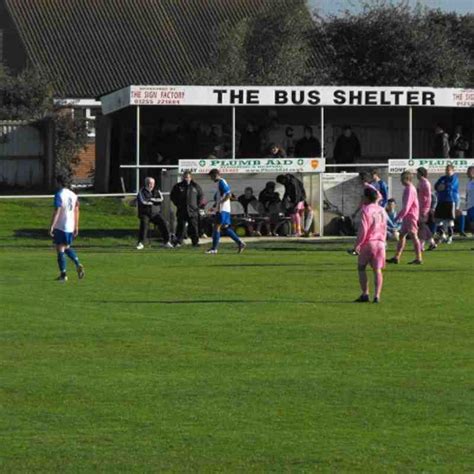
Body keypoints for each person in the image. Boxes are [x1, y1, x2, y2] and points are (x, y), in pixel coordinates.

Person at [350, 188, 387, 303]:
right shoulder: (382, 210)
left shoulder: (366, 210)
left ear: (366, 198)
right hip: (380, 243)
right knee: (377, 270)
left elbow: (363, 230)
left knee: (361, 268)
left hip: (369, 243)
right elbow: (385, 227)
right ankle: (377, 296)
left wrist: (357, 245)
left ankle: (365, 293)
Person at [49, 174, 85, 282]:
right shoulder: (73, 195)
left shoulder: (59, 194)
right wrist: (76, 226)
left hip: (61, 225)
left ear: (58, 182)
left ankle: (63, 275)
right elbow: (76, 210)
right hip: (70, 226)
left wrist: (52, 226)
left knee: (60, 248)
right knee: (66, 247)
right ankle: (78, 263)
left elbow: (57, 211)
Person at [387, 171, 423, 265]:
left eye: (402, 178)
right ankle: (396, 257)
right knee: (402, 235)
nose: (400, 181)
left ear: (406, 179)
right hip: (408, 216)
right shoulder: (408, 188)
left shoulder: (410, 189)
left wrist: (398, 217)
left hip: (411, 216)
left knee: (414, 235)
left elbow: (407, 207)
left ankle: (419, 257)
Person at [206, 169, 246, 254]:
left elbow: (228, 194)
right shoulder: (219, 184)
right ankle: (240, 243)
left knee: (216, 226)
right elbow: (220, 197)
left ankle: (214, 249)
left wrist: (221, 203)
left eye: (211, 176)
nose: (211, 178)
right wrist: (214, 206)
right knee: (225, 228)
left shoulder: (221, 182)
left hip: (223, 209)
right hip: (222, 208)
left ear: (216, 175)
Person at [136, 177, 173, 249]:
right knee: (144, 225)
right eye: (150, 183)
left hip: (155, 213)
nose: (152, 185)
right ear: (146, 183)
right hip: (145, 213)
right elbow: (143, 202)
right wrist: (154, 201)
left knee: (164, 222)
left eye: (153, 183)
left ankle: (166, 242)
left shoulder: (157, 191)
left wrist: (151, 199)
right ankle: (141, 243)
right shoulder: (141, 192)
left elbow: (161, 200)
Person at [170, 171, 203, 247]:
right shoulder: (178, 186)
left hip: (192, 211)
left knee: (194, 227)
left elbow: (200, 196)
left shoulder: (195, 186)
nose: (186, 178)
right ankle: (178, 242)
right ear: (183, 177)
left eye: (188, 177)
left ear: (190, 177)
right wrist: (178, 204)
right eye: (185, 177)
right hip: (182, 210)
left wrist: (196, 206)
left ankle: (195, 242)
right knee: (180, 227)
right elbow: (172, 196)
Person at [434, 164, 459, 244]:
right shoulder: (442, 178)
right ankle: (442, 235)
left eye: (449, 170)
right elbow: (436, 186)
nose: (447, 171)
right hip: (441, 201)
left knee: (449, 220)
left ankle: (450, 237)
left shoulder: (454, 178)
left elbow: (450, 187)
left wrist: (443, 186)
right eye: (446, 170)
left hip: (450, 201)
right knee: (437, 219)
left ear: (452, 171)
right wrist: (440, 187)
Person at [416, 167, 432, 250]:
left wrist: (426, 209)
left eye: (417, 173)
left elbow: (429, 197)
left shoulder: (426, 183)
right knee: (423, 225)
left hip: (424, 208)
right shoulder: (419, 183)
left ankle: (421, 244)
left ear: (421, 173)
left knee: (422, 225)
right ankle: (431, 242)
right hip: (419, 207)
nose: (416, 175)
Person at [465, 166, 474, 233]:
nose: (467, 173)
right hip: (469, 205)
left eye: (468, 172)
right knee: (470, 221)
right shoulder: (469, 182)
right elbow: (467, 193)